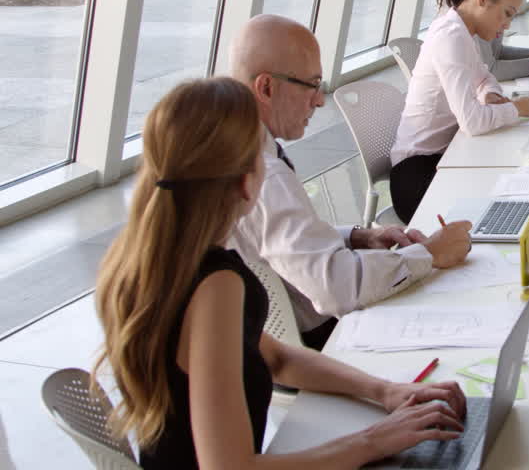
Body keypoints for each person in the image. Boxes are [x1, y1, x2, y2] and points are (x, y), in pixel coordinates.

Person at [94, 78, 468, 468]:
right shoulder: (214, 285)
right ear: (245, 181)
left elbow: (278, 360)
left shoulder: (145, 256)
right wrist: (375, 440)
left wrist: (385, 391)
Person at [227, 15, 472, 351]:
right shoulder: (265, 175)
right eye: (311, 84)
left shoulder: (234, 145)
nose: (319, 100)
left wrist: (358, 236)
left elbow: (280, 243)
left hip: (276, 336)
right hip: (322, 342)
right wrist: (427, 254)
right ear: (266, 87)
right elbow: (336, 289)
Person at [391, 0, 529, 221]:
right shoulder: (450, 36)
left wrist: (489, 94)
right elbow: (472, 122)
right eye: (507, 13)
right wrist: (517, 108)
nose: (507, 25)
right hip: (417, 177)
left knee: (513, 195)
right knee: (504, 209)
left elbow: (484, 77)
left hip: (443, 158)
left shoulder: (461, 31)